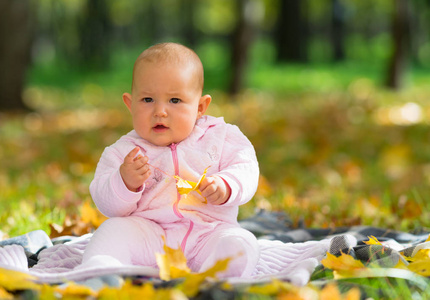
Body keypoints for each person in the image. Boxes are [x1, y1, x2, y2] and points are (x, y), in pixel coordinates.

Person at [82, 42, 260, 278]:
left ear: (200, 107)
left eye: (174, 101)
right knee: (111, 230)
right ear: (130, 104)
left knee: (241, 242)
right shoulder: (123, 152)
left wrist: (227, 185)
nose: (160, 111)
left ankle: (218, 277)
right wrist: (124, 182)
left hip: (208, 233)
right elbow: (105, 203)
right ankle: (101, 271)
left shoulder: (222, 136)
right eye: (147, 100)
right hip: (149, 236)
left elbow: (246, 167)